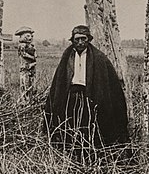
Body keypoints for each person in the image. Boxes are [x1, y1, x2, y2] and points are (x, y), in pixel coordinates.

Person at [44, 25, 129, 156]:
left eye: (83, 39)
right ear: (72, 40)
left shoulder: (99, 58)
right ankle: (72, 153)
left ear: (88, 39)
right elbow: (60, 81)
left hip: (89, 96)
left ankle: (90, 153)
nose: (80, 42)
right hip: (70, 97)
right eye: (77, 39)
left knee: (88, 126)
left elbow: (107, 84)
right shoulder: (67, 56)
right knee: (71, 125)